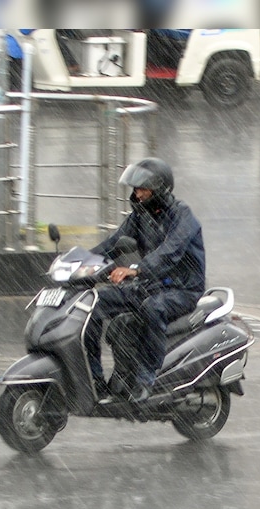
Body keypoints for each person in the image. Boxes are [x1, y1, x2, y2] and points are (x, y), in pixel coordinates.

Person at [86, 157, 206, 402]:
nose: (137, 194)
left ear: (159, 189)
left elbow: (170, 253)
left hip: (183, 290)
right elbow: (114, 243)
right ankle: (95, 380)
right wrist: (83, 262)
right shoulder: (141, 216)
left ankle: (146, 379)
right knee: (93, 304)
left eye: (142, 189)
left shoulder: (182, 216)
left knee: (153, 308)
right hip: (150, 285)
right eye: (136, 189)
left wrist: (136, 270)